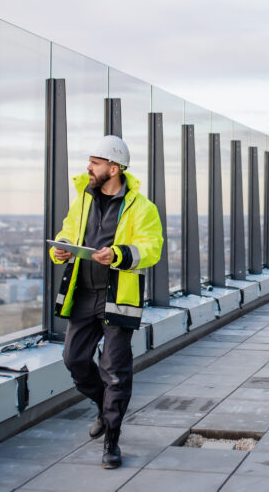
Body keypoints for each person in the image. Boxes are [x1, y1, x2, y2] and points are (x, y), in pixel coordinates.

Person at [48, 135, 163, 469]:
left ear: (114, 168)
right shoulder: (82, 199)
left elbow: (151, 248)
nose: (89, 168)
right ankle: (104, 407)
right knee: (74, 359)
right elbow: (69, 230)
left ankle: (111, 440)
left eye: (95, 163)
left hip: (118, 299)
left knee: (115, 372)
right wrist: (61, 247)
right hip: (82, 293)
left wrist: (117, 254)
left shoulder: (143, 207)